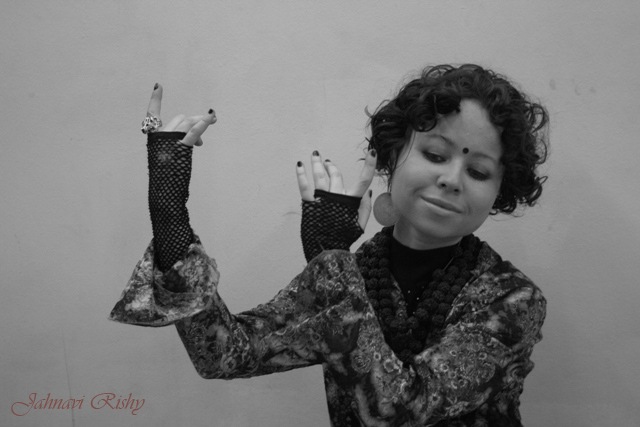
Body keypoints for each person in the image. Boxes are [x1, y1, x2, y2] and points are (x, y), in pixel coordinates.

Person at [110, 64, 549, 426]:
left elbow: (399, 411)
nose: (452, 179)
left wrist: (331, 259)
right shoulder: (351, 272)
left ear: (499, 191)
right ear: (392, 155)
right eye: (435, 155)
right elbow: (224, 354)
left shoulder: (512, 299)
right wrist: (170, 215)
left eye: (478, 172)